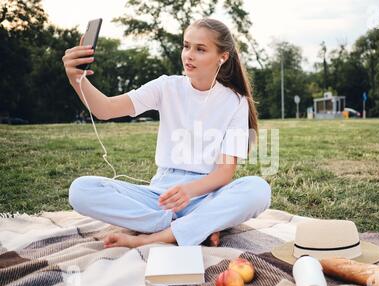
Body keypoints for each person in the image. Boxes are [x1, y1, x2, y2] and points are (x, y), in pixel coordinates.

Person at [63, 18, 271, 249]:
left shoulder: (236, 102)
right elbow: (106, 109)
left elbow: (224, 173)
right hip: (160, 198)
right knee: (81, 190)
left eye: (200, 49)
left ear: (222, 57)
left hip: (205, 196)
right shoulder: (166, 86)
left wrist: (189, 191)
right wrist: (76, 79)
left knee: (258, 189)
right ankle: (194, 226)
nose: (188, 55)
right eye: (186, 45)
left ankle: (155, 236)